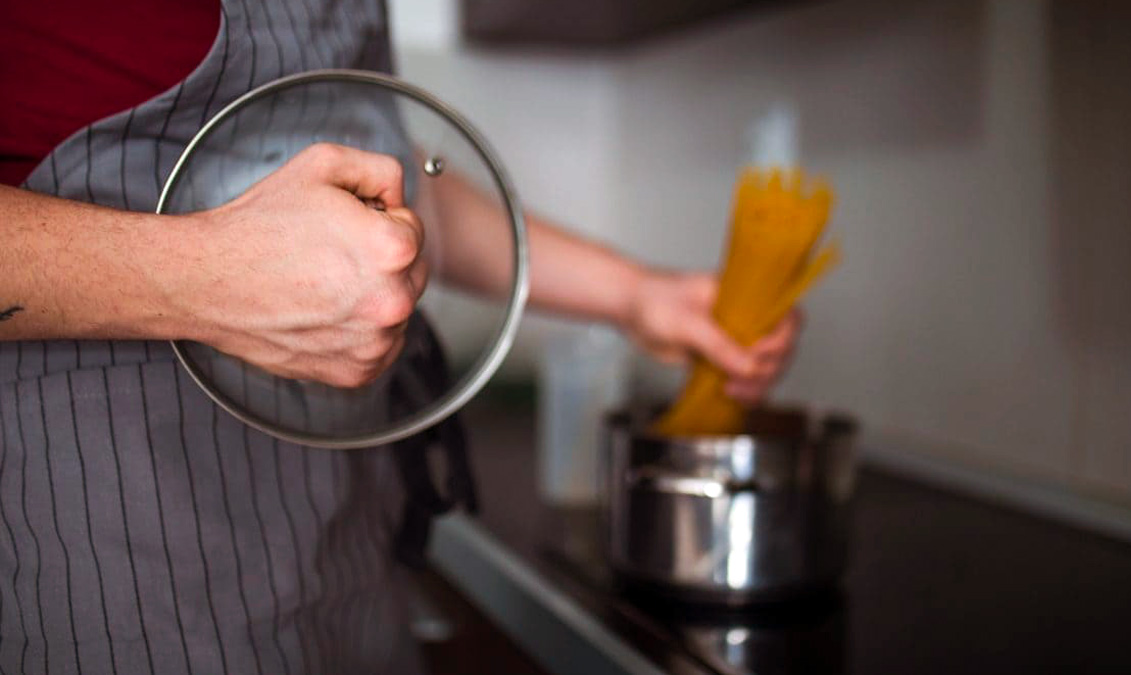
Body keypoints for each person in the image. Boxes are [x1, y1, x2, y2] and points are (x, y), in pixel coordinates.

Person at [0, 0, 799, 673]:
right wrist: (202, 275)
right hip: (106, 558)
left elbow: (384, 178)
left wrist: (634, 294)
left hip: (350, 548)